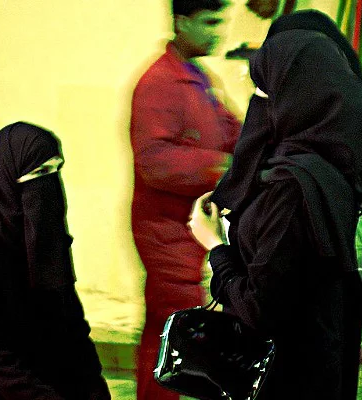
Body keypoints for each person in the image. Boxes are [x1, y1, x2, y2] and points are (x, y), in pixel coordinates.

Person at [189, 10, 362, 399]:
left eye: (264, 91)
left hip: (284, 375)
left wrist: (215, 245)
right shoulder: (333, 170)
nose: (256, 102)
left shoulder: (292, 187)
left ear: (295, 100)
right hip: (317, 365)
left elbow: (260, 309)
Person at [129, 0, 241, 399]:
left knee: (183, 328)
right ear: (182, 22)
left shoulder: (198, 77)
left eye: (221, 21)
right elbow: (155, 162)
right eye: (209, 22)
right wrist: (220, 166)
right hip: (166, 229)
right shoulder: (160, 82)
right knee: (171, 328)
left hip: (193, 227)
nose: (218, 31)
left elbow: (232, 132)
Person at [0, 122, 110, 400]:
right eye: (40, 172)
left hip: (48, 383)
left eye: (56, 170)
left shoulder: (47, 242)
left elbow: (72, 326)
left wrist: (95, 389)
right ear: (7, 176)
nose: (50, 184)